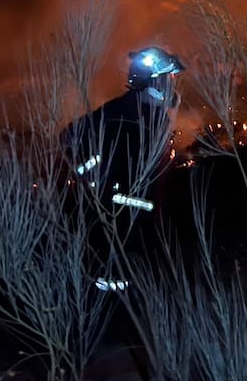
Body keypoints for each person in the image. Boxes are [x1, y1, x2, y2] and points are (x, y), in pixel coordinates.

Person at [61, 46, 185, 291]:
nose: (173, 84)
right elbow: (69, 137)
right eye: (168, 78)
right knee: (116, 288)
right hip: (117, 220)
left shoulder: (152, 115)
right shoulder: (120, 113)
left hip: (140, 219)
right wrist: (95, 174)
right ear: (155, 81)